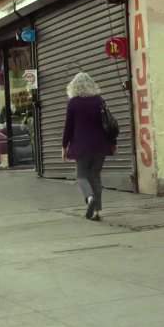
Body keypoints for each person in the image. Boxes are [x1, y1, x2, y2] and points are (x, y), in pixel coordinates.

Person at [62, 72, 116, 221]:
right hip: (100, 145)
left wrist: (64, 146)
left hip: (81, 146)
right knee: (95, 176)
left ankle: (90, 198)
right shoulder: (99, 100)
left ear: (74, 86)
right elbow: (109, 123)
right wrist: (113, 143)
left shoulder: (73, 103)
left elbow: (69, 127)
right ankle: (97, 211)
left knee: (81, 176)